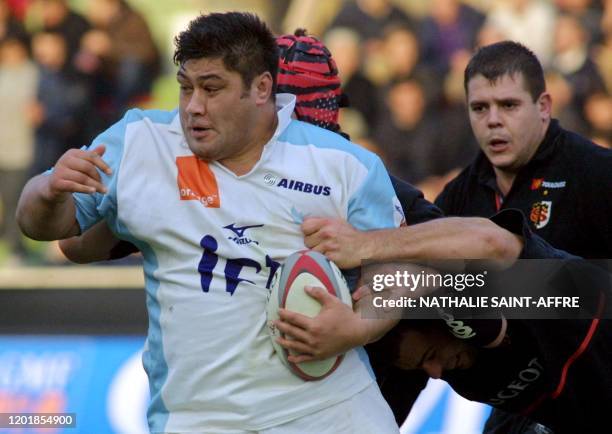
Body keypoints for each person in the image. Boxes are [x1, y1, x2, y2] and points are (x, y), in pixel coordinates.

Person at [16, 13, 402, 433]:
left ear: (261, 89)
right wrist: (47, 190)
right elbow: (47, 228)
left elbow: (409, 270)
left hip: (333, 413)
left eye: (212, 88)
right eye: (186, 88)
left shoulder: (347, 167)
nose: (193, 106)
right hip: (199, 419)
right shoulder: (140, 143)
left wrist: (358, 326)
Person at [434, 40, 612, 432]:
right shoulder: (460, 197)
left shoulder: (596, 173)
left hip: (597, 390)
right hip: (522, 405)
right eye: (480, 108)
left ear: (544, 106)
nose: (493, 120)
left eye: (509, 105)